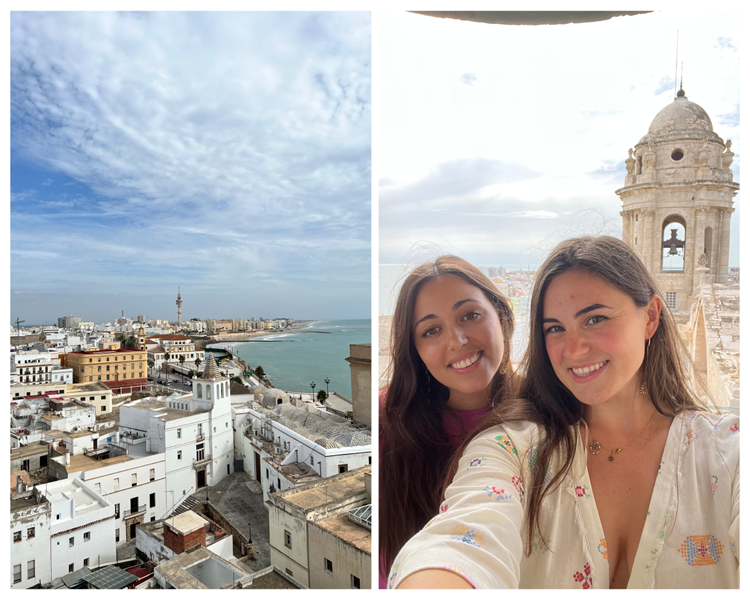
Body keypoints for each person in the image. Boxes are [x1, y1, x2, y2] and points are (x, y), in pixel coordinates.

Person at [390, 237, 739, 589]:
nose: (574, 349)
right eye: (555, 328)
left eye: (595, 318)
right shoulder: (511, 447)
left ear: (650, 317)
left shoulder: (730, 453)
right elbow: (463, 538)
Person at [379, 255, 516, 587]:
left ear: (500, 315)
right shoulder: (388, 421)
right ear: (416, 350)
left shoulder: (552, 413)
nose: (456, 340)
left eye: (469, 315)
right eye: (431, 330)